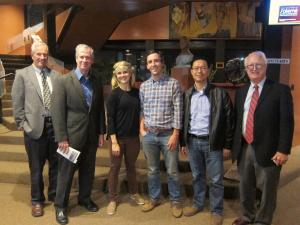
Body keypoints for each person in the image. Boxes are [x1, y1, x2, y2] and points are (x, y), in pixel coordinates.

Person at [231, 51, 294, 225]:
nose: (254, 68)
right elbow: (239, 120)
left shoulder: (280, 90)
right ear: (246, 69)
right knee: (245, 185)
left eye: (258, 64)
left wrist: (283, 150)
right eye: (250, 65)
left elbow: (287, 122)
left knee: (268, 188)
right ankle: (247, 215)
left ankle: (263, 220)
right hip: (244, 146)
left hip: (270, 148)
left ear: (266, 66)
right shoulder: (242, 91)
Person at [51, 44, 106, 225]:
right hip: (70, 139)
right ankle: (60, 206)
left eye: (88, 57)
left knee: (88, 171)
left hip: (90, 137)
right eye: (81, 57)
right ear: (76, 59)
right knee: (65, 174)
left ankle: (84, 198)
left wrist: (101, 132)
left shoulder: (96, 81)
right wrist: (61, 138)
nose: (84, 60)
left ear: (92, 60)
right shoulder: (63, 81)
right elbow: (57, 112)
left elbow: (98, 110)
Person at [180, 59, 233, 225]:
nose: (199, 71)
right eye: (196, 68)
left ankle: (216, 210)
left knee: (216, 179)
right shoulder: (187, 94)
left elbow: (230, 120)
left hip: (213, 143)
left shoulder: (220, 93)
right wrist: (183, 141)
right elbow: (183, 119)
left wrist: (227, 145)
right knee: (197, 176)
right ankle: (198, 204)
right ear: (191, 72)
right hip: (193, 142)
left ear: (208, 71)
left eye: (203, 68)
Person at [11, 41, 59, 217]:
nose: (42, 57)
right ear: (32, 55)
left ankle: (54, 195)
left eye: (45, 54)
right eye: (39, 54)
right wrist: (23, 124)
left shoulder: (55, 75)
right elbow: (17, 102)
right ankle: (37, 200)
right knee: (37, 168)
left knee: (55, 164)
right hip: (34, 129)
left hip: (54, 128)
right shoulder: (22, 75)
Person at [139, 51, 183, 218]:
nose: (153, 64)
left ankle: (176, 200)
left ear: (162, 63)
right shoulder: (144, 86)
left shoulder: (173, 84)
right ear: (147, 65)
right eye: (150, 62)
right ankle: (154, 198)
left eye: (156, 61)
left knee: (172, 170)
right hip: (149, 135)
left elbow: (179, 110)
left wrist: (175, 134)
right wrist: (141, 130)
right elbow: (142, 110)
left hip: (167, 135)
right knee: (152, 170)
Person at [106, 61, 144, 215]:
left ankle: (134, 193)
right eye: (119, 73)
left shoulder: (136, 93)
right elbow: (111, 119)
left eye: (125, 72)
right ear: (116, 75)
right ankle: (112, 199)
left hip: (133, 138)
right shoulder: (113, 95)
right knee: (114, 168)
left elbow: (141, 113)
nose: (123, 75)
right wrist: (114, 142)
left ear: (130, 74)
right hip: (118, 139)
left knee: (131, 167)